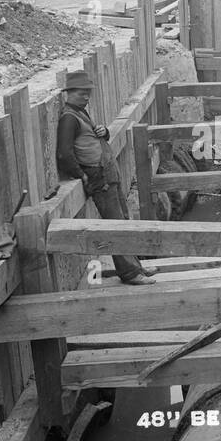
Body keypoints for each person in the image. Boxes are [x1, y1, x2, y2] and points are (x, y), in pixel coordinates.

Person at [55, 71, 154, 285]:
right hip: (98, 177)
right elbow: (64, 154)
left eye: (88, 93)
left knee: (124, 221)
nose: (86, 97)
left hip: (108, 172)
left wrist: (104, 132)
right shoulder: (68, 118)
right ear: (69, 93)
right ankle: (129, 273)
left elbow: (91, 140)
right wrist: (81, 175)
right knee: (114, 225)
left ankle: (137, 266)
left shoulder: (80, 113)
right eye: (82, 93)